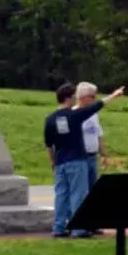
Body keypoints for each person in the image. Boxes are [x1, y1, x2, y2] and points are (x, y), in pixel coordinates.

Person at [44, 82, 91, 236]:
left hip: (60, 161)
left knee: (61, 195)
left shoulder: (50, 119)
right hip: (77, 160)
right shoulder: (74, 115)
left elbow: (48, 145)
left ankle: (58, 227)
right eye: (74, 97)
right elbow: (95, 107)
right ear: (68, 98)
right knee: (78, 193)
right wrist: (113, 96)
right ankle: (78, 228)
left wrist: (52, 161)